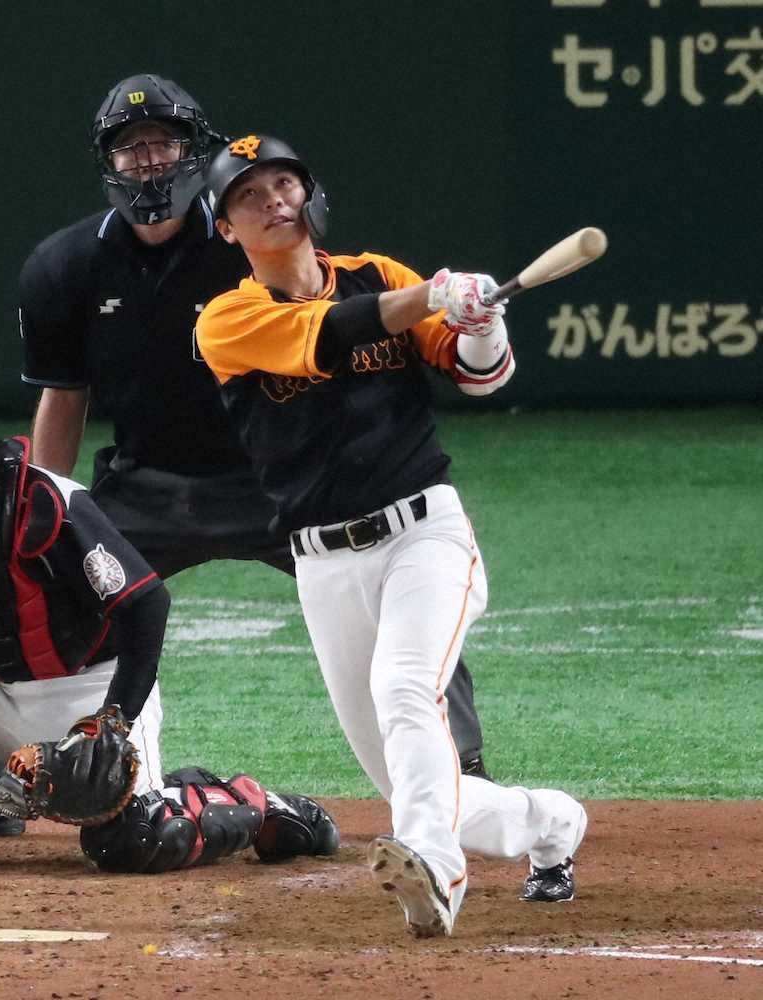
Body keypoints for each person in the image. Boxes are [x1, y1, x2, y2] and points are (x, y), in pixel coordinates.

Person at [4, 73, 490, 825]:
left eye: (164, 142)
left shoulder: (250, 243)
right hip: (146, 484)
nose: (149, 160)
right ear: (108, 162)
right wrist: (45, 507)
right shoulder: (62, 266)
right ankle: (1, 778)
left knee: (398, 607)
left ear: (196, 152)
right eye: (131, 148)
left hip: (277, 485)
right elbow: (64, 398)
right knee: (41, 588)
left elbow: (338, 324)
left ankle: (466, 774)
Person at [195, 135, 588, 936]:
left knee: (406, 691)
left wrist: (479, 321)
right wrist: (436, 294)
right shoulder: (227, 319)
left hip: (423, 534)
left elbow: (482, 375)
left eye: (283, 183)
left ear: (309, 195)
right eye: (248, 196)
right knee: (412, 779)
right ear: (227, 229)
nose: (272, 201)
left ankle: (436, 873)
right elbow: (330, 330)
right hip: (321, 563)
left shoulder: (381, 273)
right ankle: (551, 822)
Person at [0, 331, 338, 871]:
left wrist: (113, 721)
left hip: (92, 691)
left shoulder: (42, 497)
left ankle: (253, 803)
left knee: (134, 839)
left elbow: (147, 604)